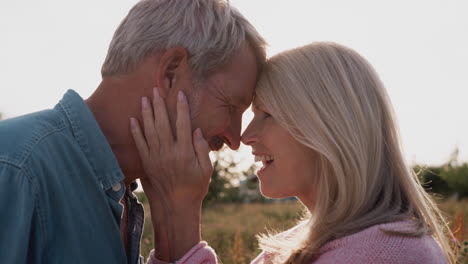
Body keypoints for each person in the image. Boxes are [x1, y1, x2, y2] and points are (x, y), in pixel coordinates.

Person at [132, 42, 455, 263]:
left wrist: (183, 207)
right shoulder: (312, 243)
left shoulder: (386, 254)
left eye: (267, 114)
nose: (246, 135)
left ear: (328, 127)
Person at [0, 0, 266, 263]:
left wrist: (175, 222)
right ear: (171, 72)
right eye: (230, 106)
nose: (234, 139)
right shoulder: (16, 169)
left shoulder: (122, 192)